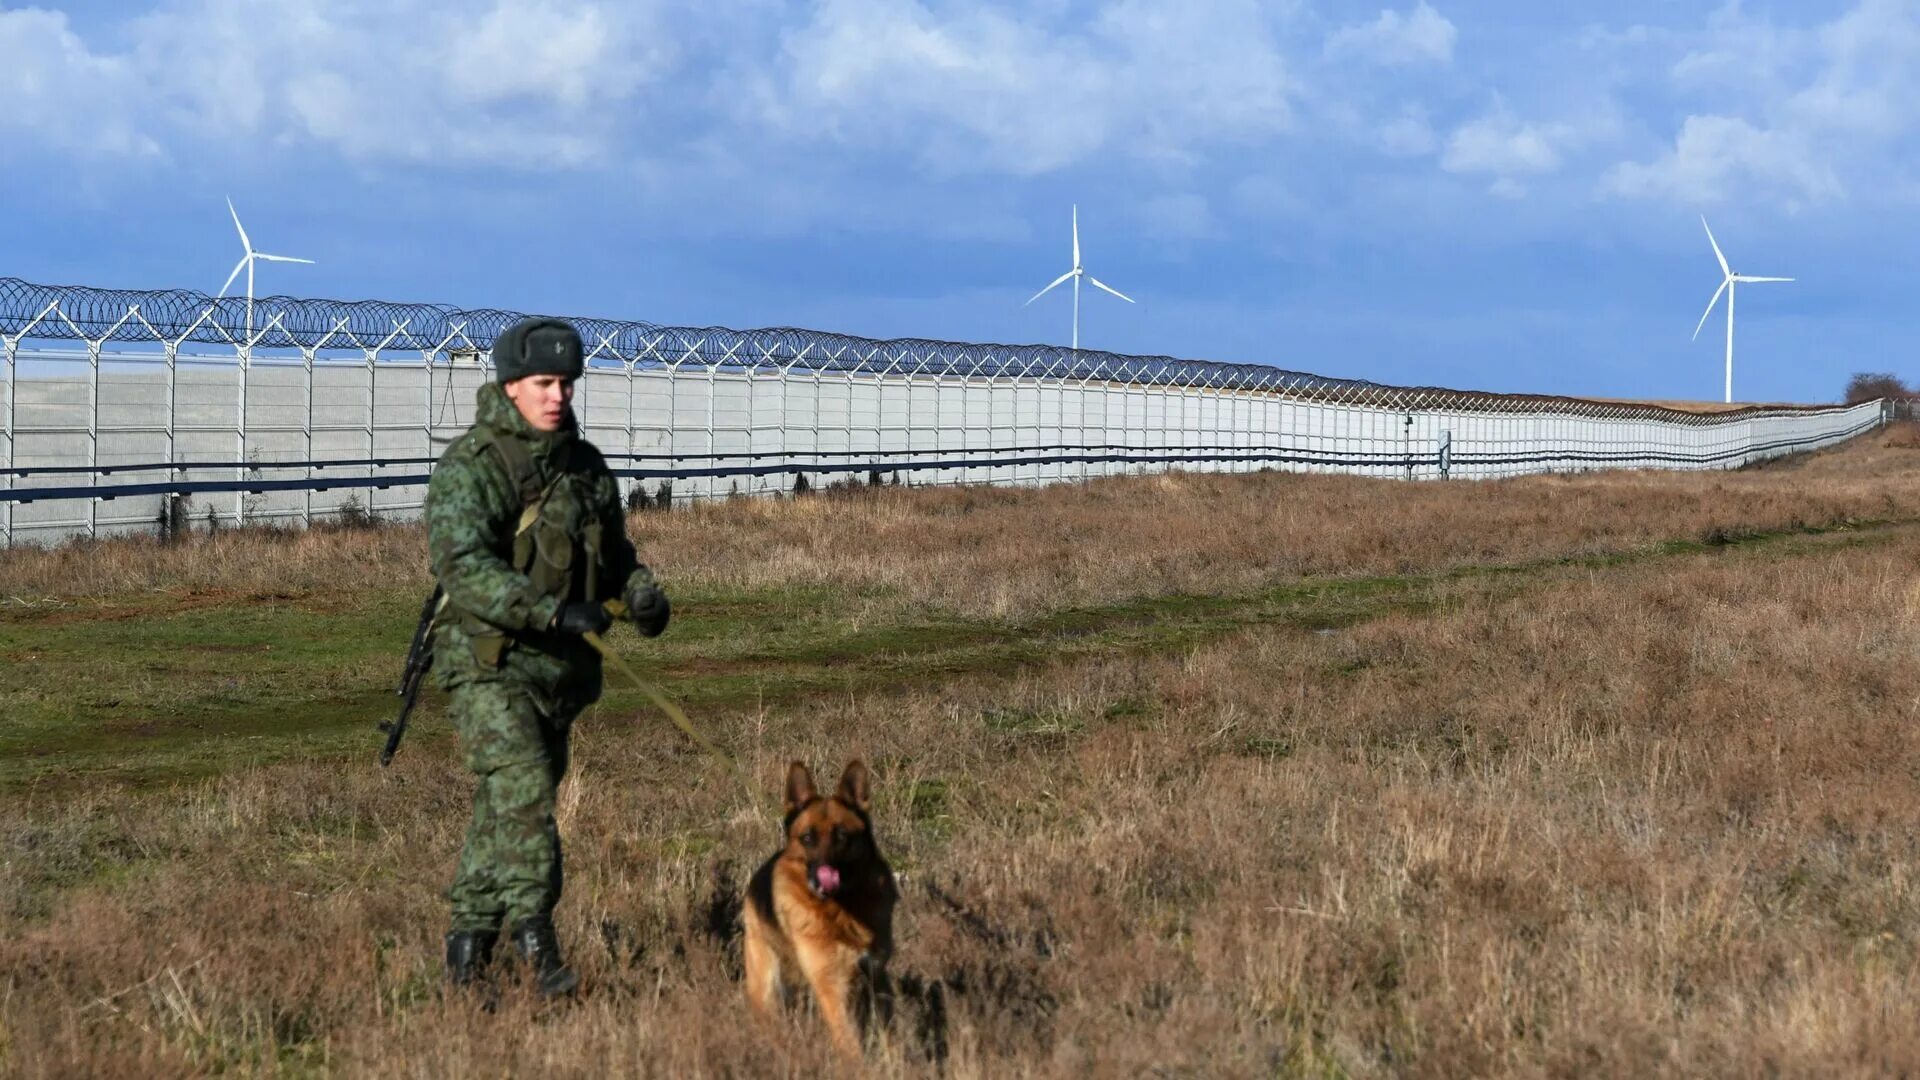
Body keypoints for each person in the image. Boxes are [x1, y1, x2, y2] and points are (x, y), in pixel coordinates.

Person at [424, 316, 671, 997]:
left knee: (505, 809)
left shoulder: (586, 470)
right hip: (488, 665)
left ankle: (466, 958)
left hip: (559, 677)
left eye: (565, 383)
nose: (556, 395)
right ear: (509, 387)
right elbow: (464, 567)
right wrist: (554, 613)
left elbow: (617, 556)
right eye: (542, 383)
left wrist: (644, 596)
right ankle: (540, 951)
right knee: (527, 791)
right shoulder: (473, 468)